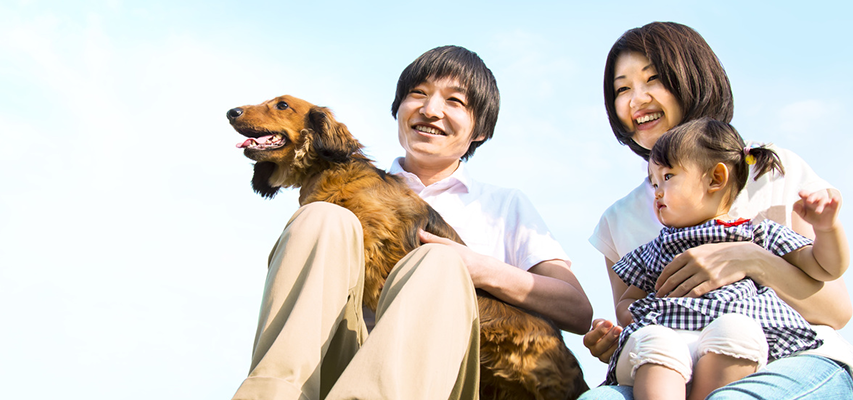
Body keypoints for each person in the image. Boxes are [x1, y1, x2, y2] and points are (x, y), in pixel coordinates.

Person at [230, 45, 593, 400]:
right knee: (321, 217)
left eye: (455, 101)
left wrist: (479, 269)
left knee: (438, 261)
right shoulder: (340, 195)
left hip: (458, 380)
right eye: (418, 94)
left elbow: (577, 311)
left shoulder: (504, 204)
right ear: (399, 109)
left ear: (479, 129)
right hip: (340, 367)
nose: (431, 109)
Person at [579, 22, 853, 399]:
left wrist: (749, 259)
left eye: (652, 79)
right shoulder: (616, 222)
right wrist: (617, 339)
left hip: (795, 357)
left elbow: (834, 310)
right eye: (622, 88)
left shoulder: (769, 169)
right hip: (676, 371)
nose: (635, 99)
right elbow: (635, 314)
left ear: (692, 78)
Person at [605, 118, 850, 400]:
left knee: (738, 331)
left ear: (716, 178)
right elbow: (628, 301)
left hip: (730, 341)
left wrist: (827, 228)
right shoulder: (658, 247)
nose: (657, 191)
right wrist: (637, 318)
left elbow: (825, 267)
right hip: (671, 340)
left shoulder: (756, 234)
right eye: (653, 182)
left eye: (668, 177)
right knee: (658, 343)